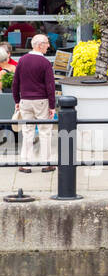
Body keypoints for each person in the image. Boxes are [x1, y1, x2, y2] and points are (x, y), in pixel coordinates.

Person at [11, 33, 56, 173]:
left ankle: (25, 165)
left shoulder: (22, 60)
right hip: (41, 101)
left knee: (27, 132)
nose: (49, 46)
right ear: (39, 45)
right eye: (47, 43)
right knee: (45, 132)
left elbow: (15, 83)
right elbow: (50, 86)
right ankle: (46, 163)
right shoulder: (45, 63)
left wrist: (17, 101)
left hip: (25, 101)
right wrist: (52, 106)